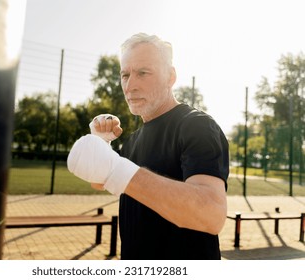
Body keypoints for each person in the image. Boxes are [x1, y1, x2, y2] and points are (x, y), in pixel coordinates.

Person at [67, 33, 229, 260]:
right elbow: (99, 181)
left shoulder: (196, 125)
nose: (130, 85)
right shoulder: (133, 139)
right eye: (125, 75)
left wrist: (118, 170)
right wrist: (100, 145)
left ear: (170, 76)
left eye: (143, 73)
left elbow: (211, 215)